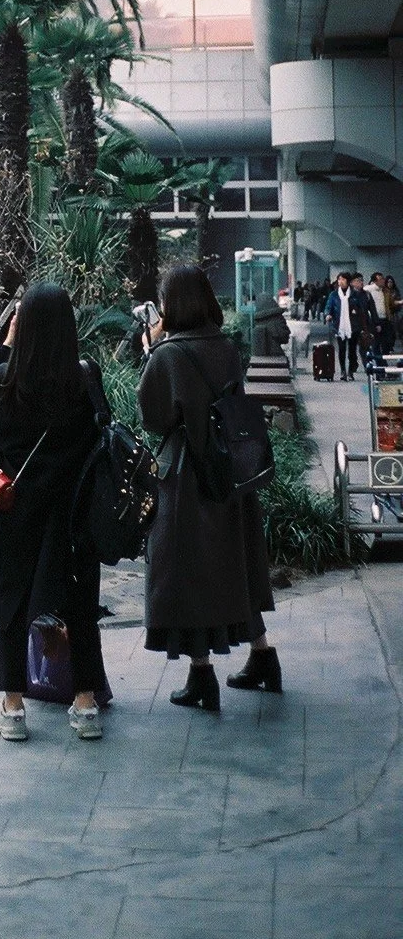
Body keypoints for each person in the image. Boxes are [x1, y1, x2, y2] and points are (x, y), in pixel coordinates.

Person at [0, 282, 107, 743]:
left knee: (12, 603)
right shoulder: (85, 377)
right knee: (79, 604)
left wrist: (5, 345)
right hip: (73, 515)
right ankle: (85, 705)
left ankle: (13, 708)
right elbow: (101, 433)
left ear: (22, 324)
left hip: (17, 510)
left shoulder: (7, 380)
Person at [139, 264, 278, 709]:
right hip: (231, 474)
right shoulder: (227, 346)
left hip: (186, 478)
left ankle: (201, 674)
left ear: (171, 304)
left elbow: (154, 417)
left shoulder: (168, 355)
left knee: (185, 573)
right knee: (235, 565)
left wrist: (151, 349)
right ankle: (262, 656)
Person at [325, 272, 357, 380]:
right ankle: (343, 371)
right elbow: (328, 307)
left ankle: (351, 371)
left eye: (343, 279)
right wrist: (328, 314)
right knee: (342, 349)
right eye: (339, 279)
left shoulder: (354, 294)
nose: (340, 282)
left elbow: (360, 309)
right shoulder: (333, 294)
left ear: (348, 281)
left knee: (352, 351)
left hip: (352, 326)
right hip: (339, 326)